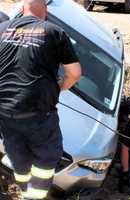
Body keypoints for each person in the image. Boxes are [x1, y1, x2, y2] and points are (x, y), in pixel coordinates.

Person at [0, 0, 81, 199]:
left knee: (17, 155)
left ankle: (25, 188)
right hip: (38, 114)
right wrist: (59, 88)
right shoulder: (54, 32)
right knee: (46, 158)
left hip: (5, 112)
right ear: (45, 11)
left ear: (21, 10)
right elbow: (74, 73)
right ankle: (34, 196)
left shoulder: (1, 29)